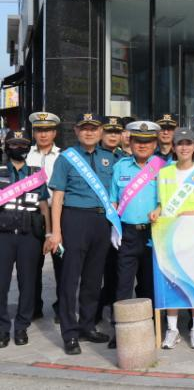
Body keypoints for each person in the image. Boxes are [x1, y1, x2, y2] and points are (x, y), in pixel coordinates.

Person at [47, 113, 119, 355]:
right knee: (70, 279)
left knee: (93, 278)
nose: (89, 132)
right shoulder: (66, 158)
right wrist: (56, 232)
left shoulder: (110, 157)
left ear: (100, 132)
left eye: (93, 128)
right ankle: (69, 333)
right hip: (74, 219)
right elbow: (58, 197)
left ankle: (87, 325)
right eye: (84, 128)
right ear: (76, 131)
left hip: (101, 222)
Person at [150, 128, 194, 349]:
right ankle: (172, 329)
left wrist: (193, 214)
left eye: (188, 143)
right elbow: (161, 203)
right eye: (180, 143)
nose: (184, 147)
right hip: (169, 235)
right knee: (171, 281)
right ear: (174, 147)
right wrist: (156, 211)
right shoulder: (165, 173)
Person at [107, 121, 163, 349]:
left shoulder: (162, 167)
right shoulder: (121, 167)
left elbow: (167, 199)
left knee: (149, 285)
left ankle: (149, 328)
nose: (142, 145)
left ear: (155, 144)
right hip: (127, 233)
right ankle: (119, 331)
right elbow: (113, 199)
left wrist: (159, 209)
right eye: (138, 141)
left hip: (152, 233)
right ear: (130, 142)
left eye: (147, 141)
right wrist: (114, 226)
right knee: (123, 285)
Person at [0, 130, 49, 348]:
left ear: (28, 148)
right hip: (3, 236)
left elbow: (44, 205)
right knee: (1, 284)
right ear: (6, 147)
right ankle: (2, 328)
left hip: (29, 236)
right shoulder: (0, 171)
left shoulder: (36, 174)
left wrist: (49, 234)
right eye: (13, 144)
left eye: (22, 144)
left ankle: (21, 326)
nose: (18, 148)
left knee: (28, 283)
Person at [27, 111, 61, 321]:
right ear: (34, 132)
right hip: (31, 216)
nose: (43, 134)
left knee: (62, 265)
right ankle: (33, 308)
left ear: (54, 132)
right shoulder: (26, 155)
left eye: (47, 130)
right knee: (31, 265)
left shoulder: (63, 156)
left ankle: (61, 307)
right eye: (39, 130)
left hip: (57, 216)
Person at [96, 115, 125, 326]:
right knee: (96, 270)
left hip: (120, 222)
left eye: (117, 131)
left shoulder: (125, 158)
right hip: (98, 219)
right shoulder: (93, 156)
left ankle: (114, 310)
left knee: (116, 270)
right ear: (101, 133)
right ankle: (94, 312)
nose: (113, 135)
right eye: (109, 131)